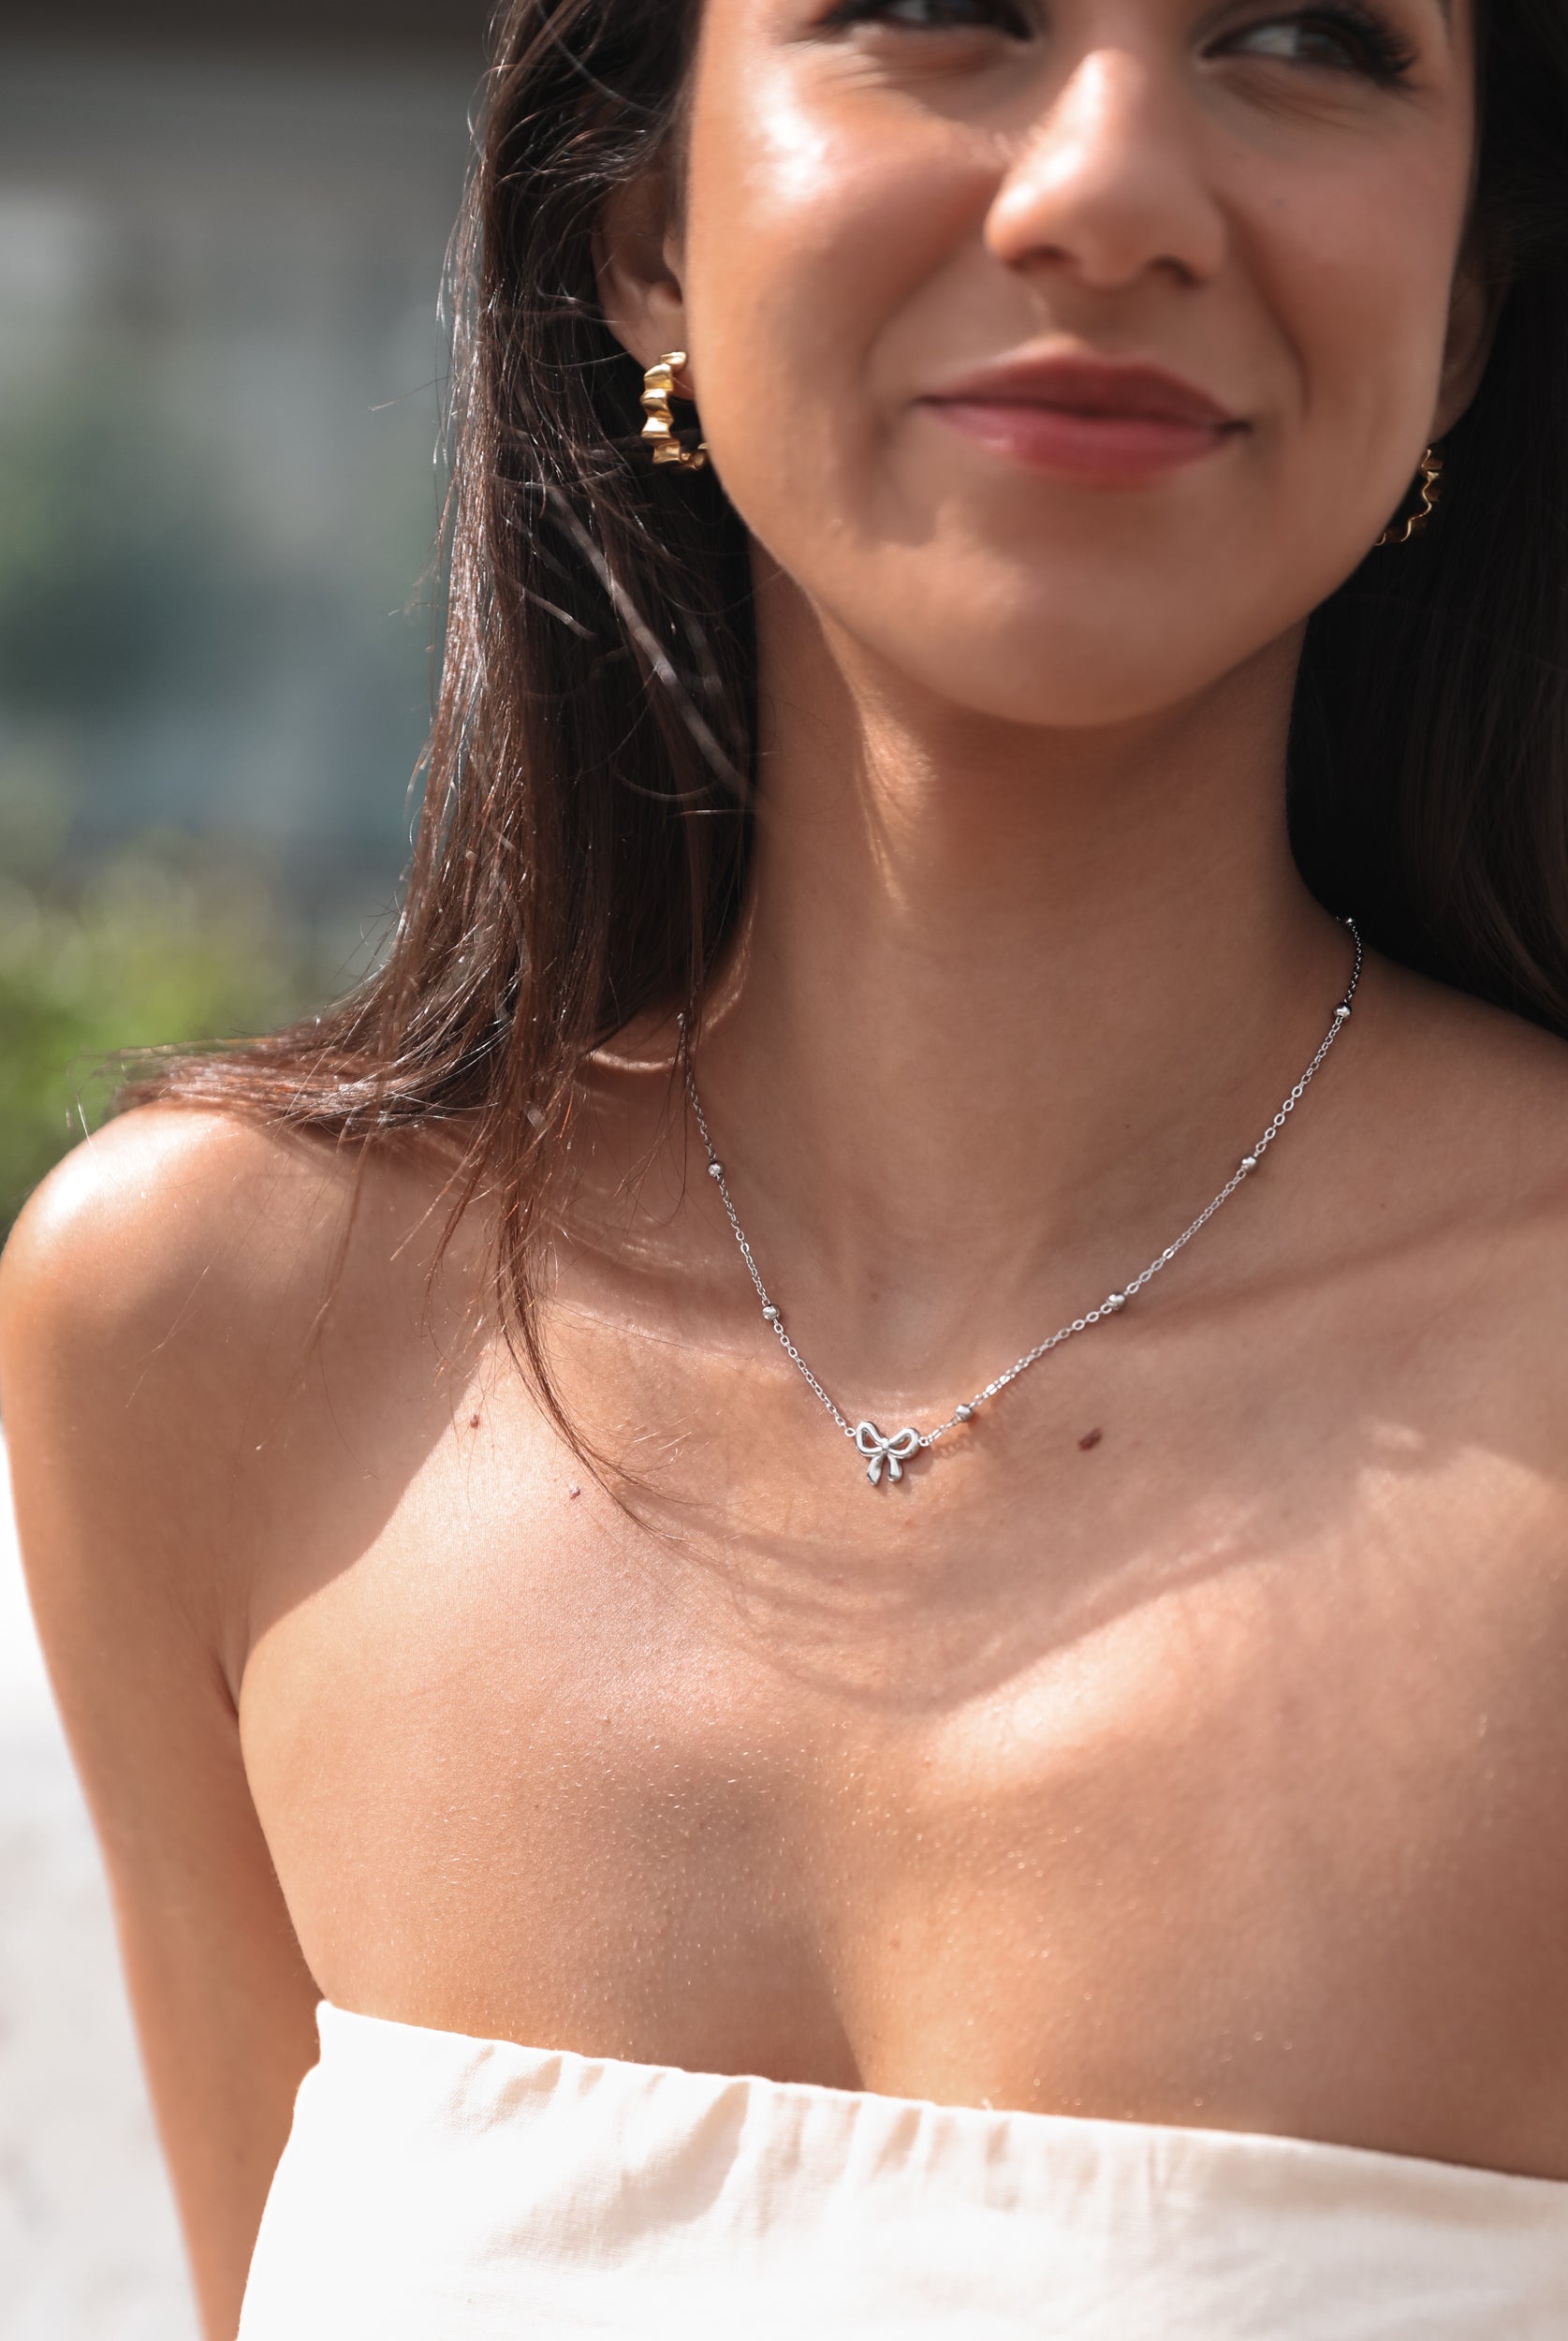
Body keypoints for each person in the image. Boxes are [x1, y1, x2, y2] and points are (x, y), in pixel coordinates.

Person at [6, 0, 1568, 2333]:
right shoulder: (212, 1335)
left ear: (1453, 320)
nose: (1109, 190)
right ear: (642, 234)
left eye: (1311, 36)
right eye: (943, 14)